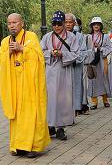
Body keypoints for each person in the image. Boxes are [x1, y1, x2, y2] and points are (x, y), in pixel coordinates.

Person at [0, 13, 50, 158]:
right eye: (9, 23)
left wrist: (22, 49)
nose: (12, 25)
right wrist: (9, 52)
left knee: (31, 115)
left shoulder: (31, 37)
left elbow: (39, 58)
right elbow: (0, 59)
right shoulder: (5, 41)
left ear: (22, 23)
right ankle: (19, 146)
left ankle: (34, 147)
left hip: (30, 86)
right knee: (17, 116)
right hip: (14, 86)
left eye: (15, 22)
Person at [41, 11, 80, 140]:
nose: (56, 26)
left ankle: (61, 128)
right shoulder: (47, 37)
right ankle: (50, 125)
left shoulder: (71, 37)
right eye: (54, 24)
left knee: (63, 99)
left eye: (59, 23)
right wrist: (51, 53)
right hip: (50, 72)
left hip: (65, 72)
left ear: (63, 23)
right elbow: (40, 52)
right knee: (50, 99)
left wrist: (62, 54)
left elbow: (76, 54)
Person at [86, 16, 112, 109]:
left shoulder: (105, 37)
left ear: (100, 26)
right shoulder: (88, 37)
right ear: (92, 26)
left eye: (98, 24)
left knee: (103, 79)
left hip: (102, 60)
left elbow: (109, 48)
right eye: (94, 24)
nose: (96, 26)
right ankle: (94, 102)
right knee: (92, 80)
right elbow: (85, 49)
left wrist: (100, 48)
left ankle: (105, 100)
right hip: (92, 60)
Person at [65, 13, 87, 116]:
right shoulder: (59, 35)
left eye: (70, 22)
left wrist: (73, 58)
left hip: (76, 65)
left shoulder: (79, 36)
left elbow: (83, 51)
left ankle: (76, 108)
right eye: (66, 22)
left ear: (74, 23)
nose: (68, 24)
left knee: (77, 86)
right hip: (64, 66)